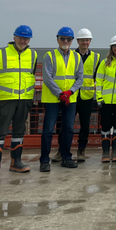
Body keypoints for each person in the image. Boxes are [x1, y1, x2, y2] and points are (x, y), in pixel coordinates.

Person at [0, 25, 38, 177]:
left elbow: (31, 74)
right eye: (20, 37)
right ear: (14, 37)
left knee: (19, 132)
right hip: (5, 100)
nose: (23, 41)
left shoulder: (33, 55)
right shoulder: (1, 53)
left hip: (24, 99)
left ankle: (16, 162)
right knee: (0, 132)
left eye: (26, 38)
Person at [40, 27, 83, 172]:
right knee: (48, 130)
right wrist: (60, 94)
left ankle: (66, 157)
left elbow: (80, 78)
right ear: (57, 39)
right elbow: (47, 77)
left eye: (68, 39)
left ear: (72, 41)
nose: (66, 41)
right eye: (63, 38)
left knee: (69, 129)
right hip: (53, 99)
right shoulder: (50, 56)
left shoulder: (77, 57)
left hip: (70, 99)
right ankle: (44, 160)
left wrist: (70, 92)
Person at [96, 36, 116, 163]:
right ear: (111, 48)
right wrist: (99, 97)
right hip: (106, 101)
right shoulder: (105, 63)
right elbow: (98, 80)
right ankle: (105, 153)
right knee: (105, 127)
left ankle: (115, 152)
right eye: (114, 46)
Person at [72, 28, 100, 162]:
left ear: (90, 41)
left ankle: (81, 149)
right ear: (78, 41)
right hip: (72, 95)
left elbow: (98, 77)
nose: (85, 42)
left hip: (87, 96)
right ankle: (62, 149)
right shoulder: (70, 55)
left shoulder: (96, 57)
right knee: (67, 124)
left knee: (85, 125)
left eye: (87, 40)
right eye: (82, 40)